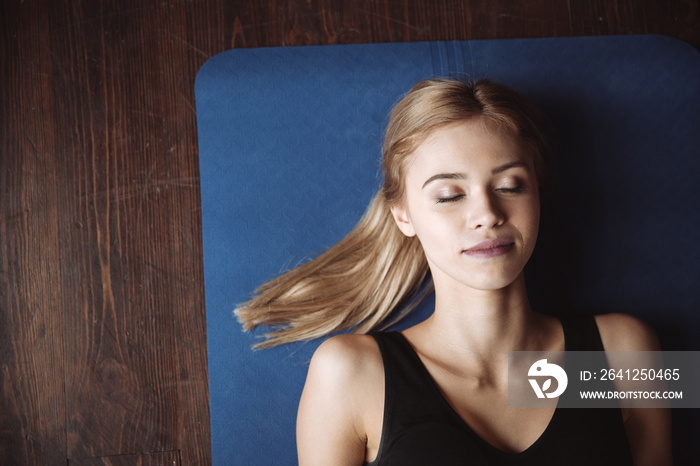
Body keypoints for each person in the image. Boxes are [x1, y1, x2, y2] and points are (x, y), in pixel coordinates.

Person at [235, 78, 671, 465]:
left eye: (509, 185)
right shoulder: (349, 371)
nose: (487, 214)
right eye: (448, 195)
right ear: (403, 215)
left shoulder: (627, 351)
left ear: (538, 194)